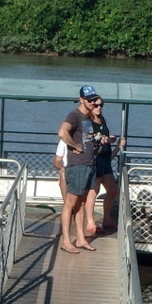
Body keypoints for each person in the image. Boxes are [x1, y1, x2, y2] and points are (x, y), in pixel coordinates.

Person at [56, 85, 99, 253]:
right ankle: (67, 241)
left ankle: (81, 239)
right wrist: (74, 144)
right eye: (89, 100)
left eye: (94, 99)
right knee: (70, 203)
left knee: (81, 203)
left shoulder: (87, 117)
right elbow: (62, 132)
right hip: (77, 165)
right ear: (81, 100)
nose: (92, 103)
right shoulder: (74, 115)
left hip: (89, 164)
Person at [85, 97, 121, 234]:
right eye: (96, 105)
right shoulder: (88, 121)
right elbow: (89, 140)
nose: (99, 108)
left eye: (101, 105)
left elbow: (104, 138)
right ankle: (90, 222)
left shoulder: (102, 119)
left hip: (105, 159)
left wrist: (114, 144)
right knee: (94, 190)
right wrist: (104, 140)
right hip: (96, 158)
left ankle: (107, 218)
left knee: (112, 189)